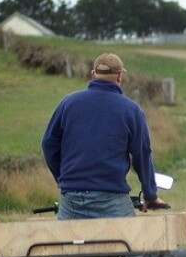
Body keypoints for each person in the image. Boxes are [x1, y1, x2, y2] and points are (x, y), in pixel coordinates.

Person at [42, 52, 167, 220]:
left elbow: (48, 144)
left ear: (93, 75)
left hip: (71, 199)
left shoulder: (68, 103)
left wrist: (65, 180)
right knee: (133, 242)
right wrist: (150, 195)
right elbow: (141, 154)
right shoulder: (131, 110)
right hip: (111, 199)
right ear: (119, 77)